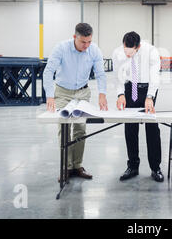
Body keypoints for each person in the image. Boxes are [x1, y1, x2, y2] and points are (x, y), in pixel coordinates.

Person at [43, 23, 108, 181]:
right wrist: (50, 96)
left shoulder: (94, 50)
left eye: (89, 42)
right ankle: (66, 167)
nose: (86, 46)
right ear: (74, 37)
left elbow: (100, 74)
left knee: (80, 128)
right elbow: (48, 71)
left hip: (82, 92)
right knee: (64, 127)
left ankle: (77, 165)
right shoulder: (61, 48)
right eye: (83, 42)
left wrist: (102, 94)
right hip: (62, 92)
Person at [112, 31, 164, 182]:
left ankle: (155, 168)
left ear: (138, 47)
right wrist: (120, 94)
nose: (128, 56)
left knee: (152, 128)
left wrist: (150, 97)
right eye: (125, 52)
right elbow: (118, 76)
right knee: (130, 128)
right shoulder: (118, 53)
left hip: (148, 88)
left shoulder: (151, 51)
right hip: (130, 89)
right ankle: (133, 166)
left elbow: (155, 75)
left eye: (131, 53)